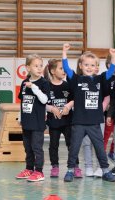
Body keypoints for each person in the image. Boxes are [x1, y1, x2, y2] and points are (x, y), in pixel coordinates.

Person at [62, 43, 115, 182]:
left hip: (94, 122)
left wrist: (113, 56)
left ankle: (105, 170)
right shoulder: (76, 80)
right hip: (79, 122)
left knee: (100, 148)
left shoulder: (100, 79)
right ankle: (70, 170)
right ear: (81, 66)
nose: (89, 67)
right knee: (74, 148)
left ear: (97, 67)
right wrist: (64, 52)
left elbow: (111, 71)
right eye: (86, 64)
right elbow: (67, 69)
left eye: (92, 65)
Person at [43, 59, 82, 178]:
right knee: (53, 145)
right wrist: (51, 109)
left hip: (68, 121)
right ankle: (55, 166)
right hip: (54, 122)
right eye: (61, 68)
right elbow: (41, 102)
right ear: (53, 71)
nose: (64, 71)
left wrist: (69, 106)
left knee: (72, 144)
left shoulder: (68, 85)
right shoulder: (46, 86)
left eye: (64, 69)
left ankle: (75, 166)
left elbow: (75, 99)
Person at [16, 54, 49, 182]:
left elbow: (44, 99)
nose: (39, 68)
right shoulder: (24, 82)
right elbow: (23, 101)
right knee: (27, 147)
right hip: (26, 121)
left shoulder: (43, 83)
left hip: (38, 122)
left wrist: (34, 88)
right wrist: (20, 117)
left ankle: (39, 171)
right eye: (36, 66)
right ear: (28, 67)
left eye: (41, 66)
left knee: (36, 147)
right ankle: (29, 168)